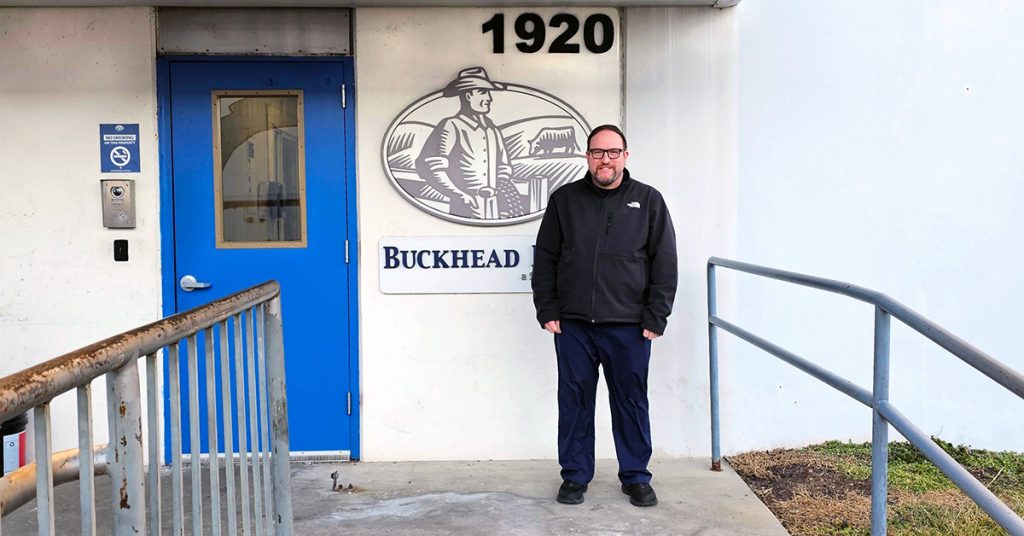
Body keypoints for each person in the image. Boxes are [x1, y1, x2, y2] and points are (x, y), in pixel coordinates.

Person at [531, 125, 678, 507]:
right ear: (587, 156)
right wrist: (547, 309)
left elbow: (665, 263)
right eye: (598, 152)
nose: (605, 160)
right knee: (575, 401)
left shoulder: (648, 200)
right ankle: (575, 476)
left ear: (626, 156)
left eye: (613, 152)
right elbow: (545, 257)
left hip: (629, 326)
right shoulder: (565, 200)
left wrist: (655, 318)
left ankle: (636, 476)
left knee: (630, 401)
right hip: (573, 324)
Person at [416, 67, 524, 219]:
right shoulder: (451, 126)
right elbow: (431, 167)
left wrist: (504, 195)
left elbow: (503, 167)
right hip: (464, 209)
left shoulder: (492, 130)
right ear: (468, 95)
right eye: (483, 92)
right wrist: (460, 195)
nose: (489, 98)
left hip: (494, 207)